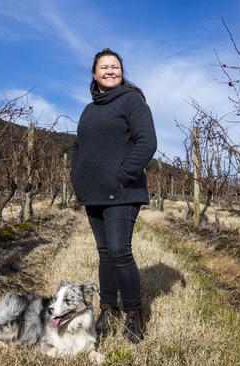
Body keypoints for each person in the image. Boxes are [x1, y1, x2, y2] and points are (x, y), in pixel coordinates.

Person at [70, 48, 157, 342]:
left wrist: (121, 176)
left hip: (122, 191)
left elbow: (147, 142)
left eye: (115, 67)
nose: (110, 70)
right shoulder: (88, 109)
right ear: (94, 74)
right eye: (104, 67)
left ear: (122, 72)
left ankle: (134, 313)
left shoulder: (132, 101)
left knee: (120, 252)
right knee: (105, 253)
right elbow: (78, 146)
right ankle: (109, 307)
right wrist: (77, 177)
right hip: (92, 193)